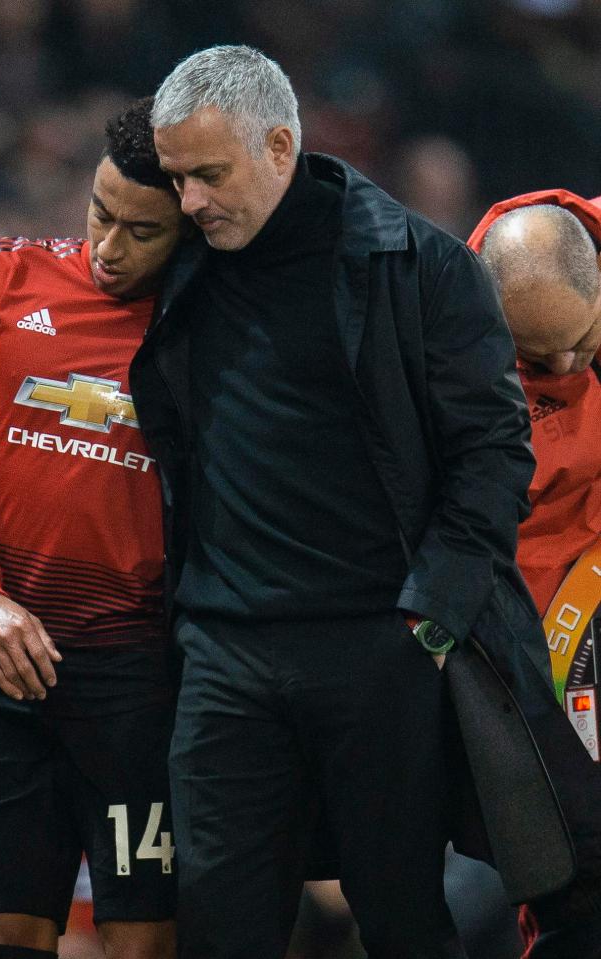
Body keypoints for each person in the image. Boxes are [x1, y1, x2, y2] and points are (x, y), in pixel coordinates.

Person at [124, 45, 601, 959]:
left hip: (379, 650)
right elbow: (84, 265)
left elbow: (493, 450)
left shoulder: (418, 264)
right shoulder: (179, 261)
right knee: (221, 929)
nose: (188, 201)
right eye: (178, 178)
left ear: (277, 145)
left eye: (209, 175)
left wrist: (434, 616)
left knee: (401, 921)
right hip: (224, 656)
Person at [0, 98, 186, 959]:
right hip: (3, 658)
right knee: (5, 934)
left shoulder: (216, 327)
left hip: (138, 673)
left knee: (143, 937)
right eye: (100, 213)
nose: (109, 247)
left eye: (142, 231)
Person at [469, 192, 601, 959]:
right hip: (544, 630)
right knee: (576, 881)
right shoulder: (445, 345)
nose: (561, 368)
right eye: (532, 354)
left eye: (579, 340)